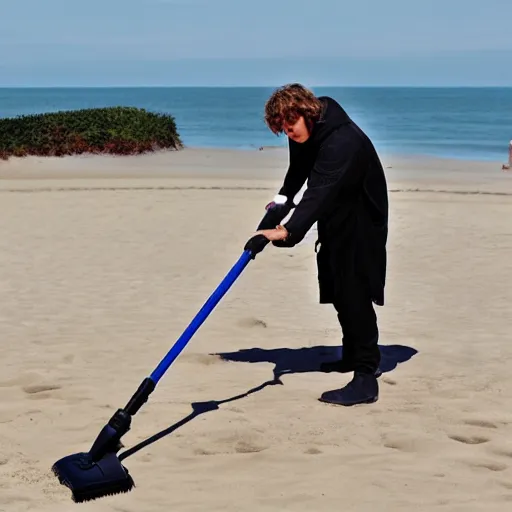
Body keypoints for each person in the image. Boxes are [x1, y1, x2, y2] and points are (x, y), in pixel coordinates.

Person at [254, 83, 389, 406]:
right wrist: (280, 203)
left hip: (362, 216)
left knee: (354, 288)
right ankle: (351, 354)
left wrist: (288, 231)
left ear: (303, 112)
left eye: (290, 127)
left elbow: (319, 191)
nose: (289, 134)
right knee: (336, 284)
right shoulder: (306, 128)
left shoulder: (342, 142)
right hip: (337, 209)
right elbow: (299, 170)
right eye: (283, 130)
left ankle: (366, 375)